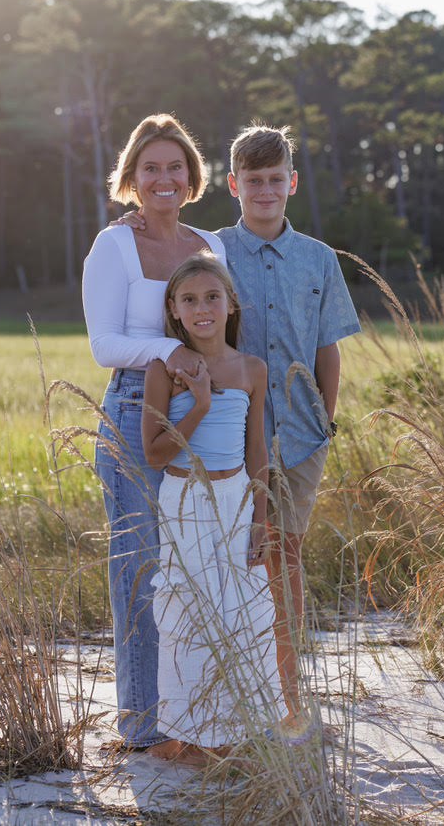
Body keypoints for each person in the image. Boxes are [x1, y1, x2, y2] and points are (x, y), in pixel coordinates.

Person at [117, 123, 361, 732]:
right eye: (253, 181)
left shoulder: (319, 259)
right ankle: (223, 701)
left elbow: (328, 349)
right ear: (233, 185)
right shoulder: (214, 250)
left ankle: (288, 697)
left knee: (283, 558)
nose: (265, 191)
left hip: (301, 435)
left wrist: (325, 419)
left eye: (275, 179)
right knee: (227, 566)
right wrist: (135, 223)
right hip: (226, 439)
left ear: (292, 183)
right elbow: (171, 262)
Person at [82, 114, 227, 753]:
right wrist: (171, 350)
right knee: (140, 571)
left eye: (175, 167)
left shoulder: (209, 246)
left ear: (191, 177)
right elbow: (103, 345)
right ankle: (142, 728)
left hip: (206, 411)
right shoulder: (113, 245)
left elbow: (220, 325)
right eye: (151, 169)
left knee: (198, 567)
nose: (163, 178)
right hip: (136, 411)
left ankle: (195, 719)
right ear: (133, 180)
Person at [140, 253, 279, 766]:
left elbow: (257, 450)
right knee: (188, 610)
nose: (202, 308)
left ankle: (236, 730)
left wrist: (260, 519)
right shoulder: (165, 368)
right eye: (190, 300)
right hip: (185, 499)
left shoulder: (250, 369)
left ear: (230, 304)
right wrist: (198, 403)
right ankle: (192, 737)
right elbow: (155, 452)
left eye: (212, 297)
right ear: (174, 311)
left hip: (238, 497)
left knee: (241, 610)